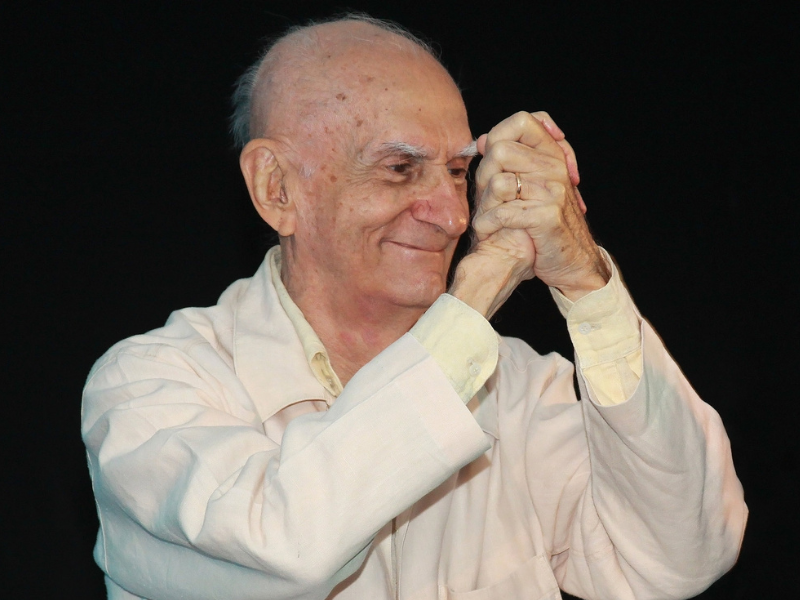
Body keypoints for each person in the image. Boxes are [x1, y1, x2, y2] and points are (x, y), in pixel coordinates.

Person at [81, 14, 747, 600]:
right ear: (276, 188)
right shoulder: (151, 386)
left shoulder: (518, 389)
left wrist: (586, 284)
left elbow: (680, 560)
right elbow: (282, 547)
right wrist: (481, 287)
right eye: (399, 169)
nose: (454, 216)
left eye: (458, 172)